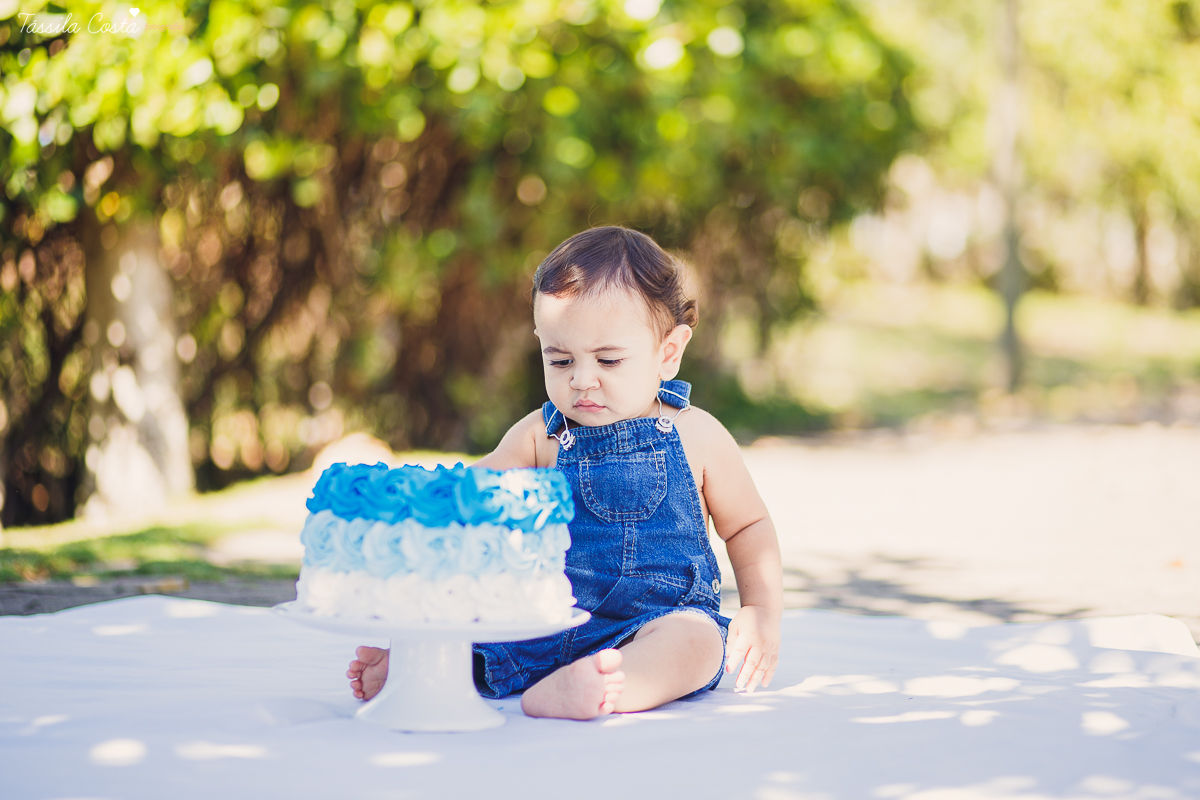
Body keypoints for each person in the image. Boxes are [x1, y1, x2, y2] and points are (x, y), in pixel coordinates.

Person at [347, 226, 783, 720]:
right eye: (559, 359)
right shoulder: (540, 435)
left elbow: (748, 525)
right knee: (483, 622)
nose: (581, 379)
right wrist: (417, 504)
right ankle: (420, 667)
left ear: (669, 353)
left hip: (659, 620)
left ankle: (609, 685)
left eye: (609, 360)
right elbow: (473, 496)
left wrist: (761, 612)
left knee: (699, 643)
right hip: (547, 618)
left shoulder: (695, 434)